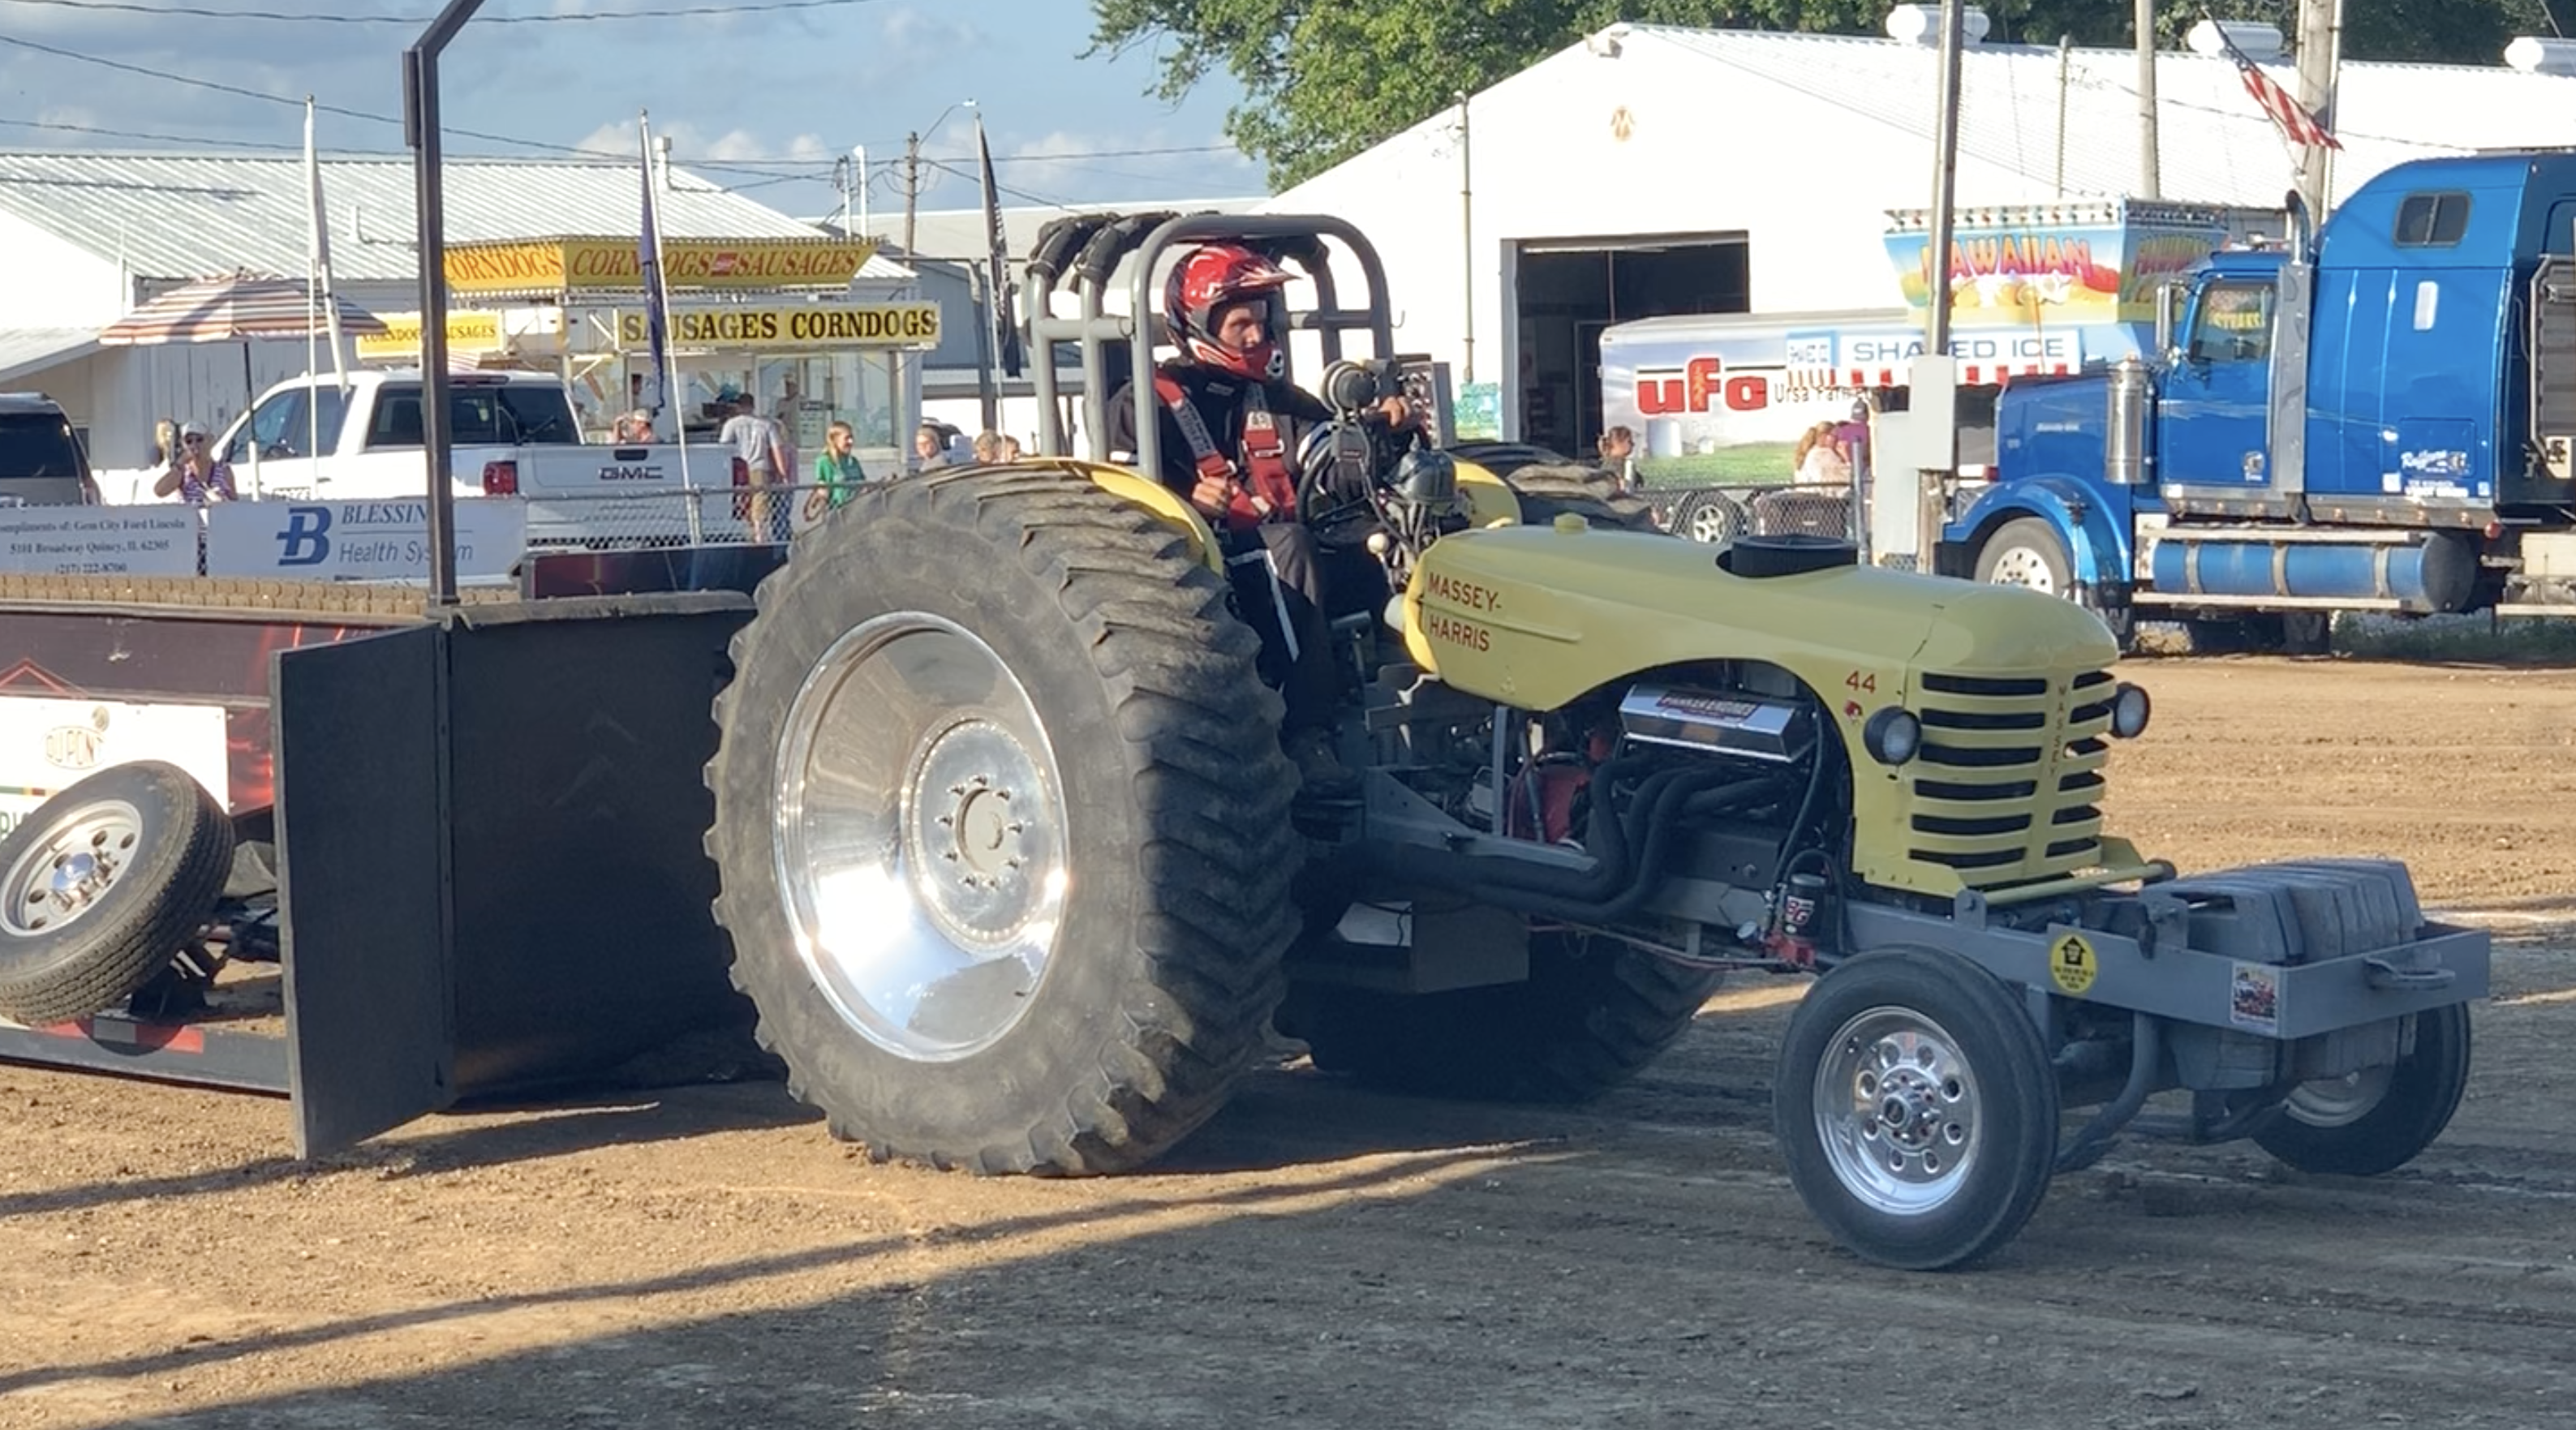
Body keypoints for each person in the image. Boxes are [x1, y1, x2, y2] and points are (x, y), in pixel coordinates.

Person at [1103, 242, 1427, 788]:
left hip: (1282, 542)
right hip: (1198, 568)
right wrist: (1186, 500)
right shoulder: (1145, 403)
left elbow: (1336, 465)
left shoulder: (1278, 398)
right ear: (1199, 325)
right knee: (1288, 548)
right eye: (1239, 325)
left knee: (1391, 535)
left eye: (1260, 321)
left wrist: (1388, 433)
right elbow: (1123, 502)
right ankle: (1306, 733)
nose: (1257, 336)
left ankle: (1432, 693)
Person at [720, 394, 789, 541]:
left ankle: (743, 530)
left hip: (738, 467)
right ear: (753, 405)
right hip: (760, 466)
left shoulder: (731, 424)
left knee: (740, 499)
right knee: (760, 499)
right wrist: (782, 472)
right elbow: (777, 449)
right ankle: (759, 533)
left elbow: (723, 448)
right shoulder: (766, 424)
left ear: (738, 406)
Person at [153, 421, 236, 505]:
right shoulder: (183, 473)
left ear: (210, 441)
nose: (194, 445)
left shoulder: (224, 471)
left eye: (199, 440)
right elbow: (159, 492)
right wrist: (179, 464)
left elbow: (235, 504)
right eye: (189, 442)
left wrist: (222, 501)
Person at [815, 419, 867, 509]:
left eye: (852, 438)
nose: (851, 442)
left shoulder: (853, 461)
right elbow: (823, 486)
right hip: (837, 511)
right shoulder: (825, 461)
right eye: (847, 438)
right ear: (835, 440)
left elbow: (864, 483)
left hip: (857, 510)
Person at [1596, 424, 1637, 492]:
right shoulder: (1624, 464)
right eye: (1629, 442)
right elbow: (1626, 487)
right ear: (1618, 442)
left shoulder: (1604, 462)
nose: (1633, 444)